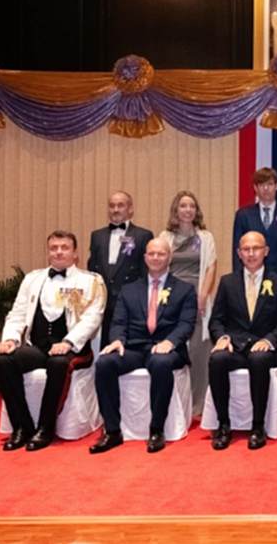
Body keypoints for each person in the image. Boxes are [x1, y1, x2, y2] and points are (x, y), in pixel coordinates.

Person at [0, 231, 105, 451]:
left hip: (74, 349)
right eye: (54, 248)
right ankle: (22, 427)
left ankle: (45, 428)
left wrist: (68, 342)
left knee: (58, 364)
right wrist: (10, 339)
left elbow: (93, 317)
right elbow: (17, 313)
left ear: (75, 253)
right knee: (3, 361)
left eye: (64, 247)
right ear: (48, 252)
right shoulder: (33, 279)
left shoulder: (91, 281)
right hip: (38, 347)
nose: (59, 252)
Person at [89, 238, 197, 454]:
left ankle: (156, 429)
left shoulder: (184, 290)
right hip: (134, 348)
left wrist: (170, 342)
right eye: (152, 254)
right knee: (104, 364)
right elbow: (118, 321)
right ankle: (112, 431)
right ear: (145, 257)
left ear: (170, 257)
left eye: (161, 254)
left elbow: (186, 323)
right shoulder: (129, 290)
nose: (156, 258)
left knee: (160, 363)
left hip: (167, 349)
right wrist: (117, 340)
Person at [207, 231, 277, 450]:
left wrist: (270, 340)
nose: (252, 253)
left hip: (263, 349)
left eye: (256, 249)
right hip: (234, 347)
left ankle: (257, 426)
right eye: (246, 249)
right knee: (217, 359)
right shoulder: (227, 282)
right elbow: (216, 320)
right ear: (239, 253)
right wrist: (223, 338)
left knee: (259, 359)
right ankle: (223, 425)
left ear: (266, 251)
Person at [158, 191, 217, 415]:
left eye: (191, 206)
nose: (187, 210)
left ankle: (199, 403)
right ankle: (176, 402)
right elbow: (158, 266)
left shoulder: (205, 237)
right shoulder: (165, 237)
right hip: (172, 298)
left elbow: (211, 266)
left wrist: (202, 296)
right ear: (176, 210)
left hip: (197, 297)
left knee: (199, 350)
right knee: (174, 345)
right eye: (183, 206)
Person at [88, 191, 154, 346]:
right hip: (104, 298)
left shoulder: (143, 235)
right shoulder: (97, 235)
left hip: (130, 297)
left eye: (120, 205)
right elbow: (92, 268)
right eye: (112, 206)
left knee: (129, 343)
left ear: (130, 209)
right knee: (106, 342)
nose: (115, 210)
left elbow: (146, 270)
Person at [232, 167, 277, 290]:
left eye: (269, 184)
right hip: (251, 279)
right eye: (261, 184)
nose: (265, 188)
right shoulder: (243, 216)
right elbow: (237, 252)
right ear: (255, 188)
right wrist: (239, 282)